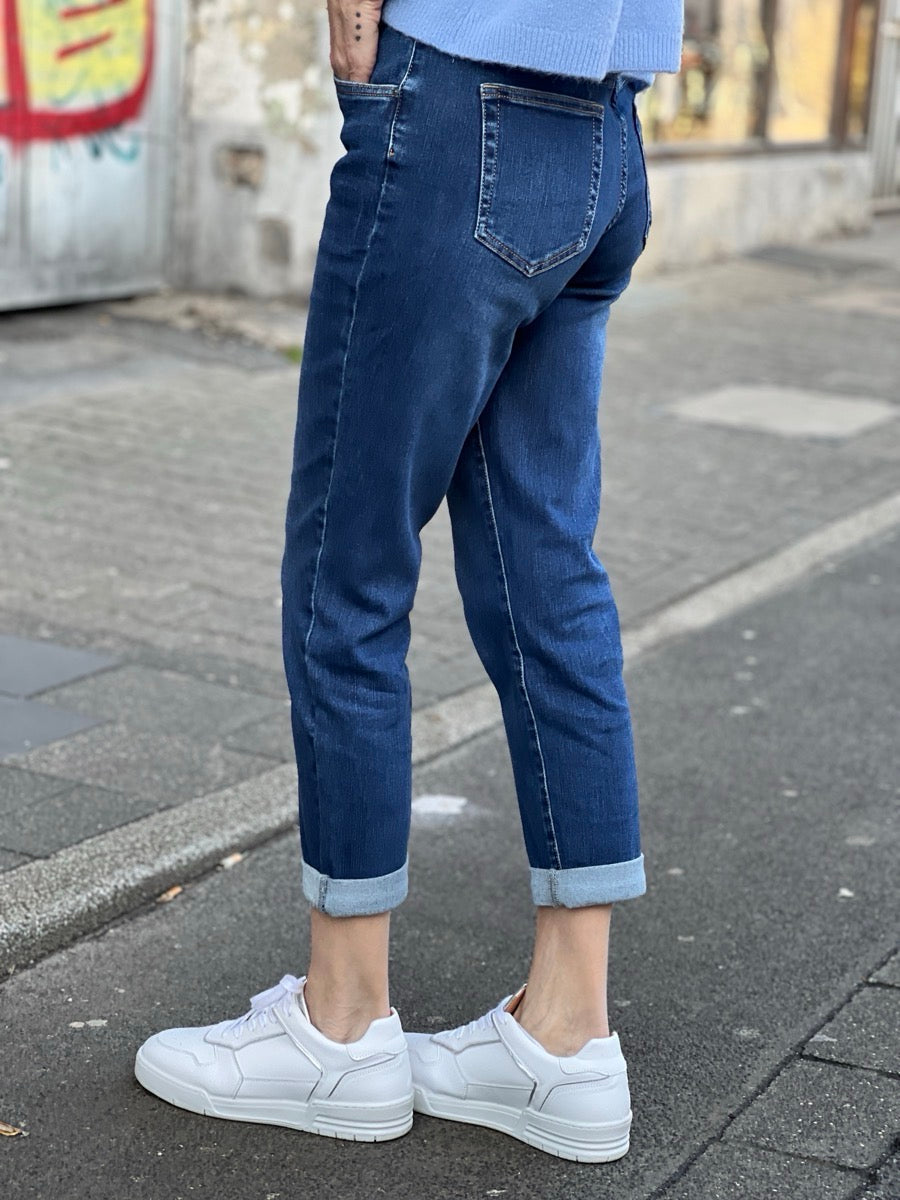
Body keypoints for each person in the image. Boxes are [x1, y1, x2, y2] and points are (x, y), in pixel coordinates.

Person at [134, 0, 684, 1163]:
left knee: (349, 572)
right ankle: (567, 1035)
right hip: (605, 129)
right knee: (549, 575)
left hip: (459, 97)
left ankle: (341, 1027)